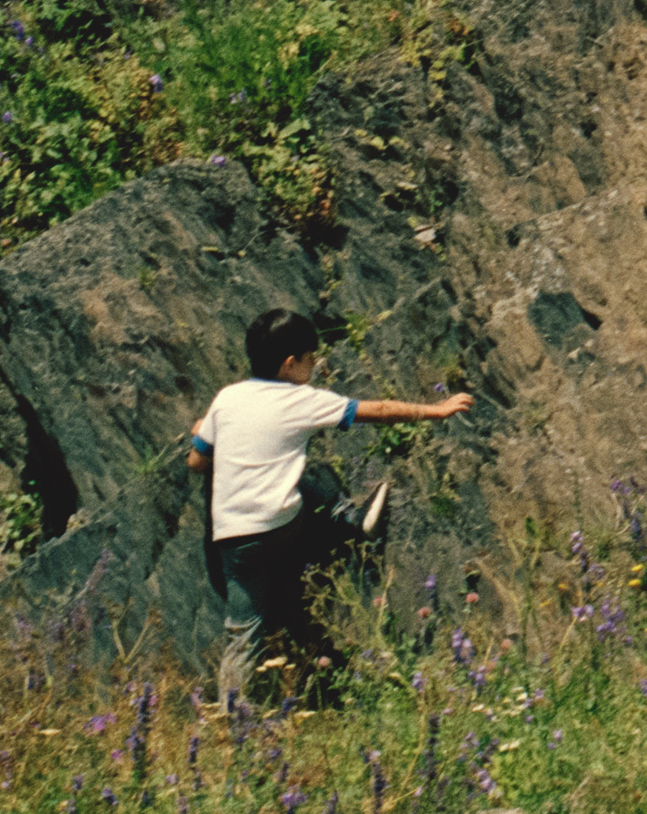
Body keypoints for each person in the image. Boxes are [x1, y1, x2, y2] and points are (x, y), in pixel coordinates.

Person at [184, 303, 470, 706]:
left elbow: (197, 463)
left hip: (232, 537)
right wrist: (435, 410)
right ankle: (349, 519)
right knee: (300, 471)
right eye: (310, 358)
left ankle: (234, 723)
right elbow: (380, 411)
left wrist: (203, 430)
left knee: (242, 630)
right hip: (282, 526)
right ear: (289, 364)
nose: (315, 365)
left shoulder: (226, 398)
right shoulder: (302, 400)